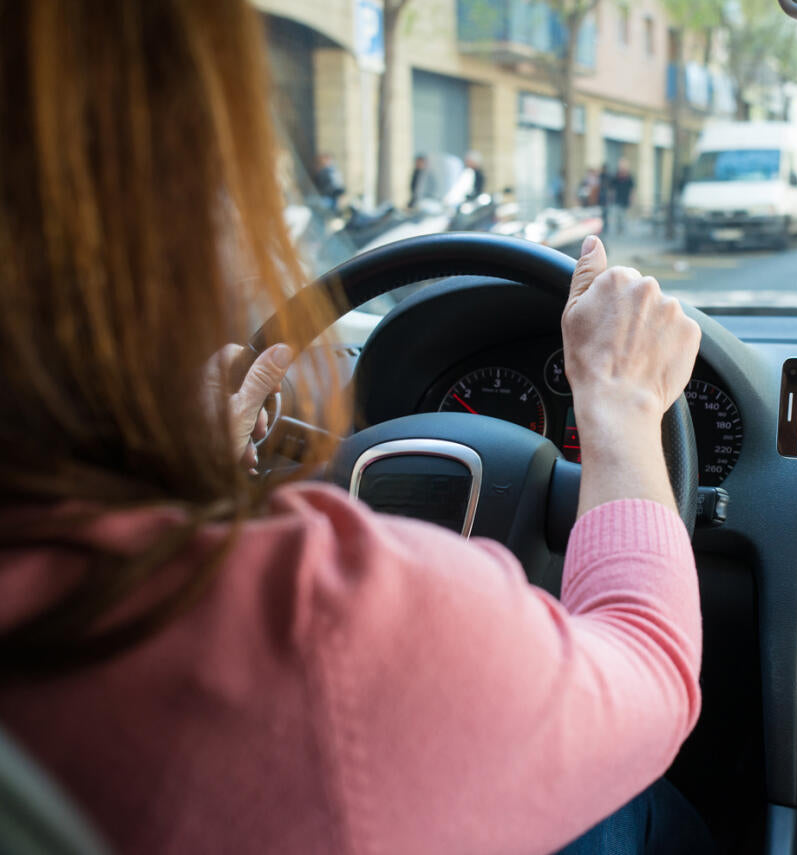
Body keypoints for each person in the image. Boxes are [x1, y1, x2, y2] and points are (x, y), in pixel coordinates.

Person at [0, 3, 710, 855]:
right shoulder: (309, 623)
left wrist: (169, 474)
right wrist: (623, 409)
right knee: (628, 809)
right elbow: (651, 672)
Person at [612, 158, 636, 236]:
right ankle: (618, 229)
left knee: (623, 215)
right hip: (617, 198)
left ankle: (623, 229)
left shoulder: (629, 177)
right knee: (618, 215)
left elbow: (632, 189)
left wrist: (631, 198)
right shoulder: (617, 175)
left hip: (625, 199)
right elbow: (612, 186)